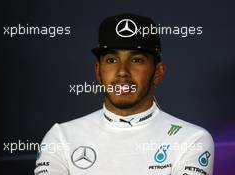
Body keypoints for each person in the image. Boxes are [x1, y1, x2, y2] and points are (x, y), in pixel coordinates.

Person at [34, 13, 214, 175]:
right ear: (98, 71)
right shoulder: (61, 137)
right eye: (112, 60)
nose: (122, 71)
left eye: (136, 60)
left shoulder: (192, 140)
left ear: (158, 73)